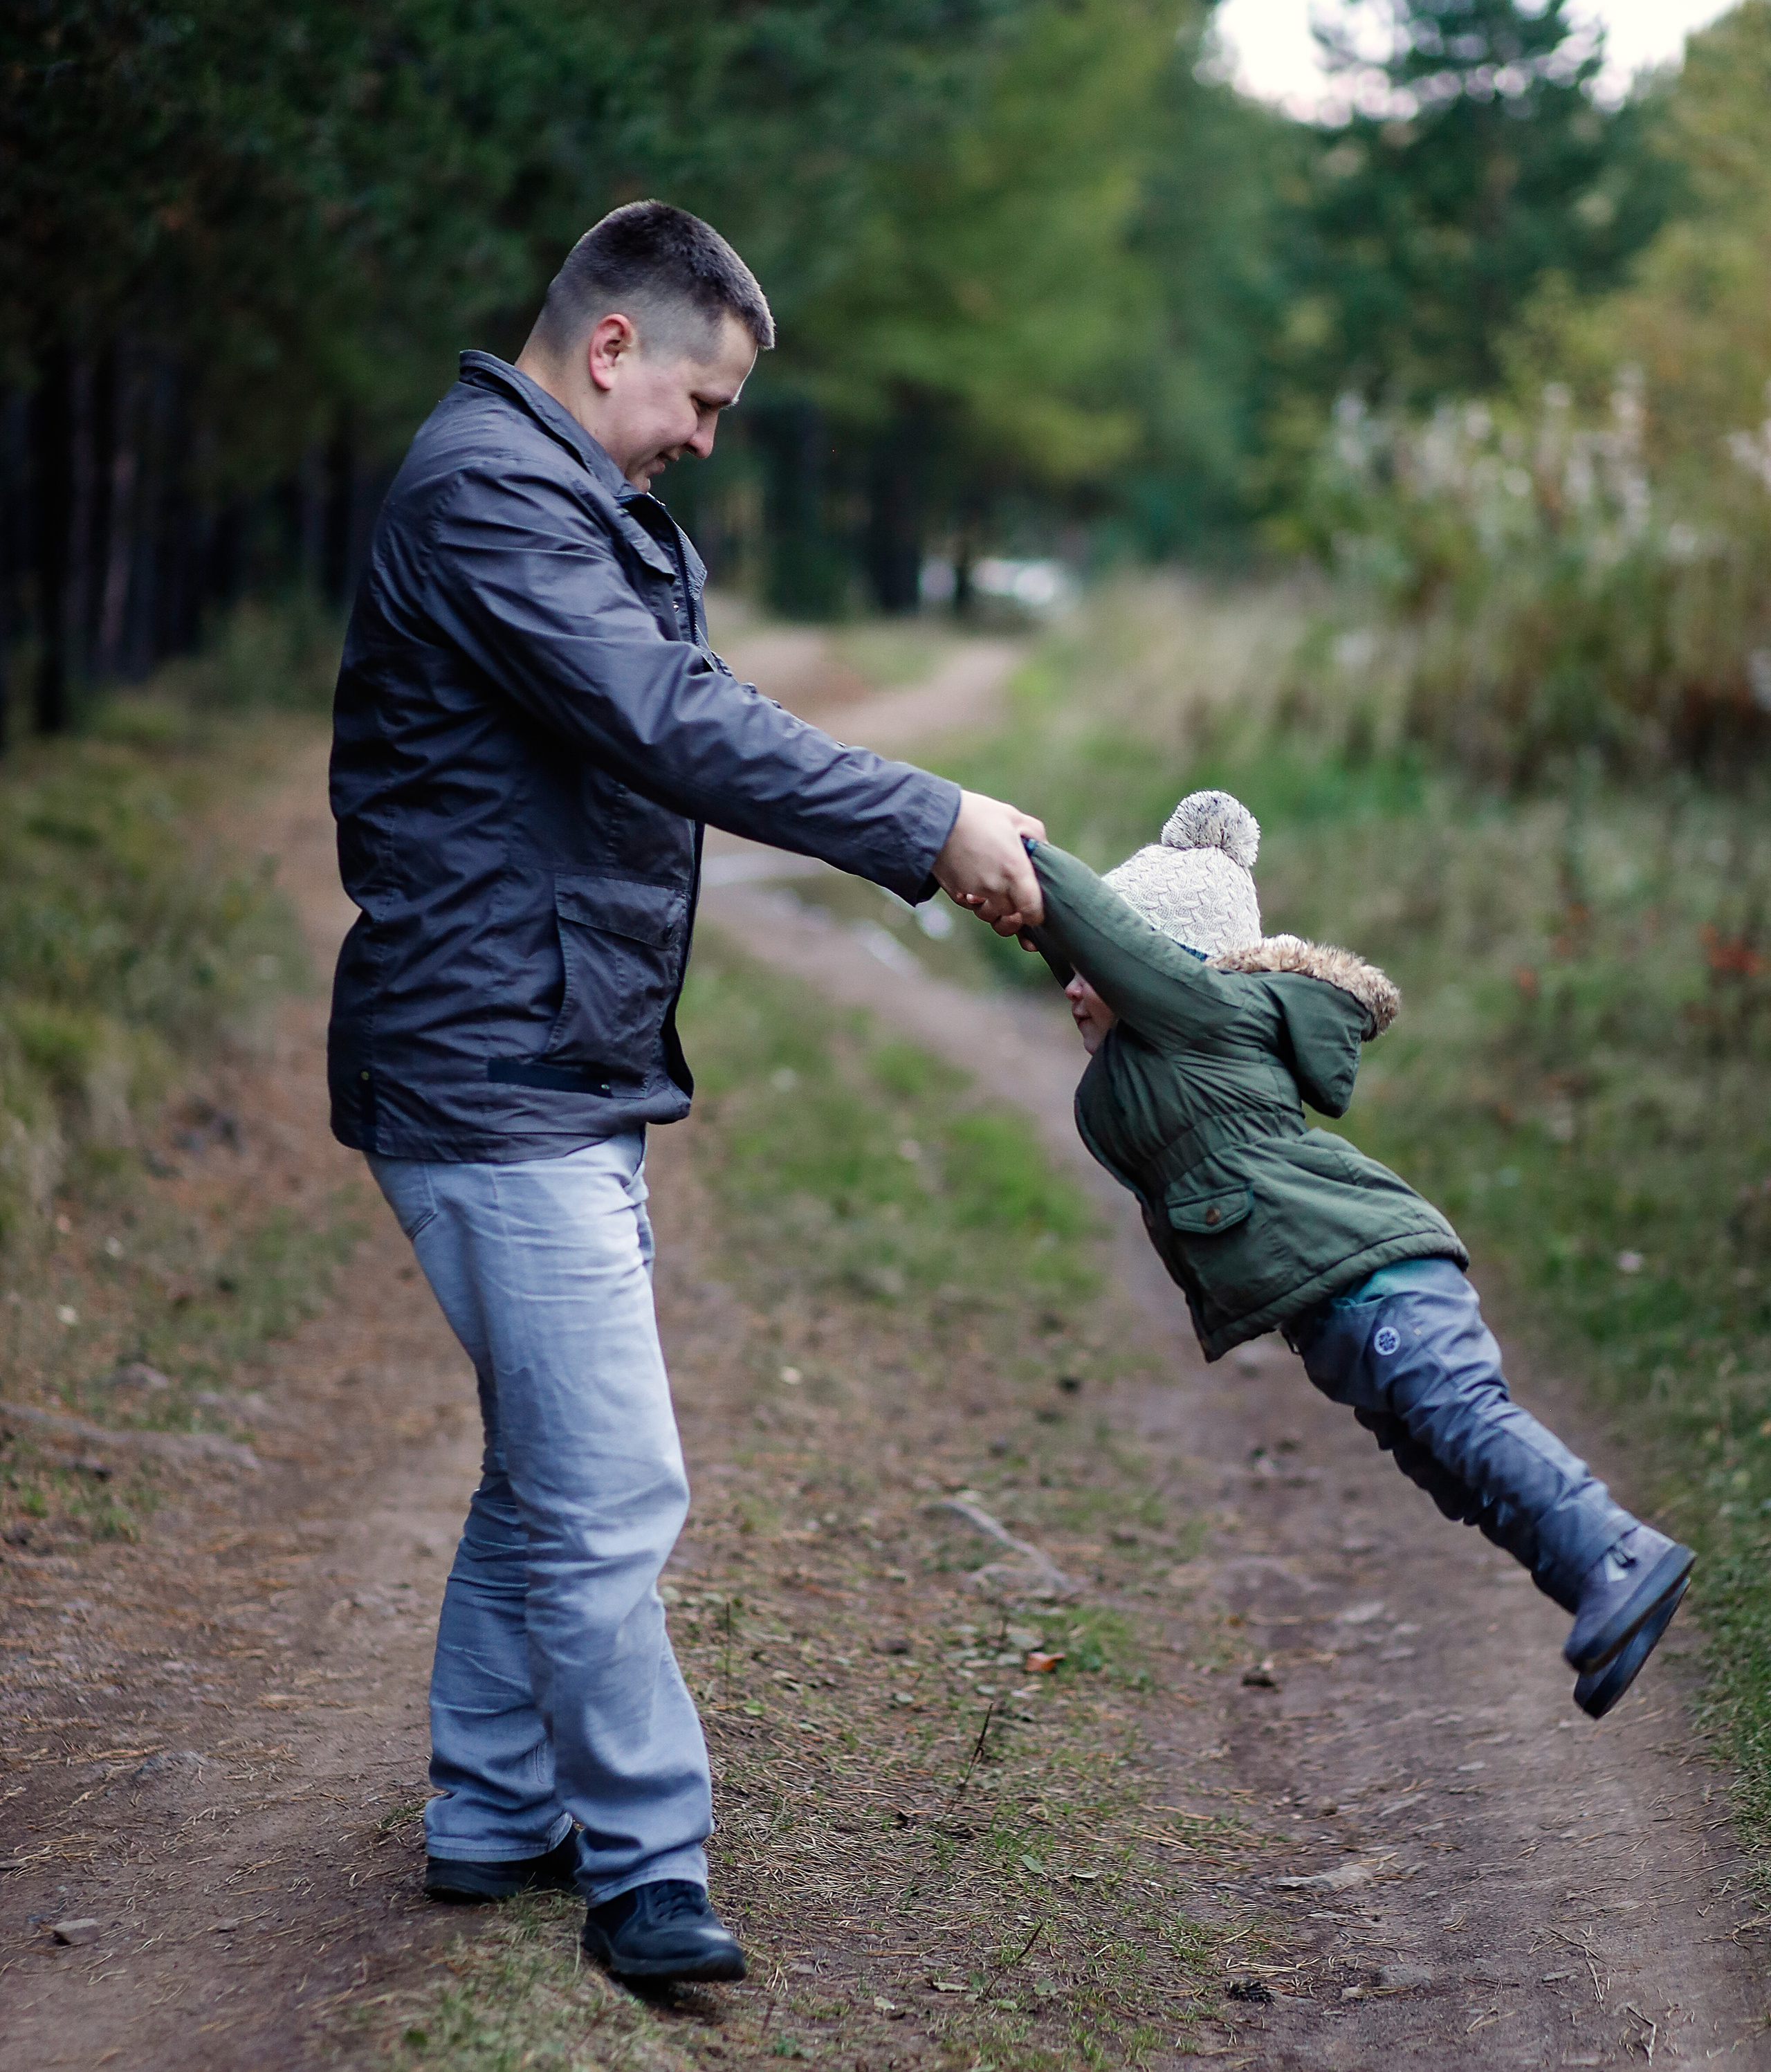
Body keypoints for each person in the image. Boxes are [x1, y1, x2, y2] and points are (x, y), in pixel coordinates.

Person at [328, 201, 1044, 1982]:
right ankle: (646, 1865)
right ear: (610, 347)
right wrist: (925, 820)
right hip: (492, 1070)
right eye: (702, 402)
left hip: (544, 1055)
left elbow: (682, 705)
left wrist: (925, 819)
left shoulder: (562, 496)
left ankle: (492, 1809)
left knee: (546, 1468)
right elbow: (669, 719)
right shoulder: (491, 495)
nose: (708, 441)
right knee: (614, 1486)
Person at [1021, 789, 1693, 1721]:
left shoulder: (1203, 1013)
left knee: (1466, 1421)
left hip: (1377, 1279)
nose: (1071, 987)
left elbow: (1104, 934)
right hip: (1341, 1310)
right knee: (1456, 1476)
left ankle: (1621, 1554)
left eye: (1090, 970)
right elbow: (1094, 962)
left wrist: (1020, 857)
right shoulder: (1160, 1051)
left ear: (1156, 968)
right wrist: (993, 893)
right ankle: (1602, 1596)